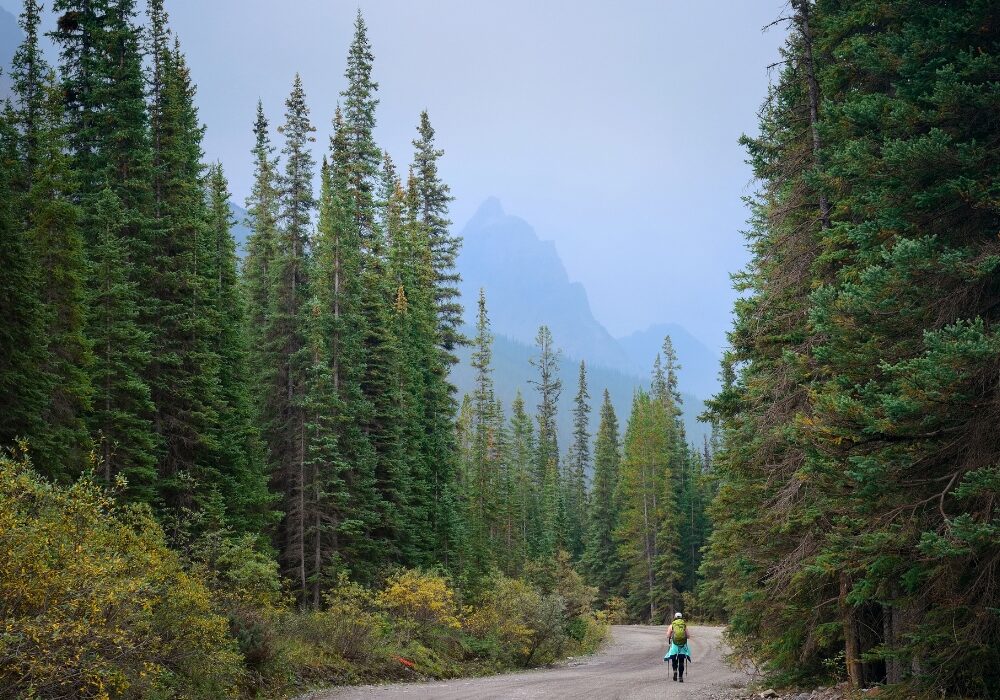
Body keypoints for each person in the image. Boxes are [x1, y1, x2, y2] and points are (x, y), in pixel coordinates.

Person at [664, 612, 691, 682]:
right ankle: (681, 677)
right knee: (681, 662)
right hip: (682, 646)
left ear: (675, 617)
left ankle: (675, 672)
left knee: (674, 660)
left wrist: (671, 635)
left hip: (674, 646)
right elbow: (688, 636)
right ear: (681, 617)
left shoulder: (672, 625)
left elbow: (668, 636)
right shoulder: (684, 625)